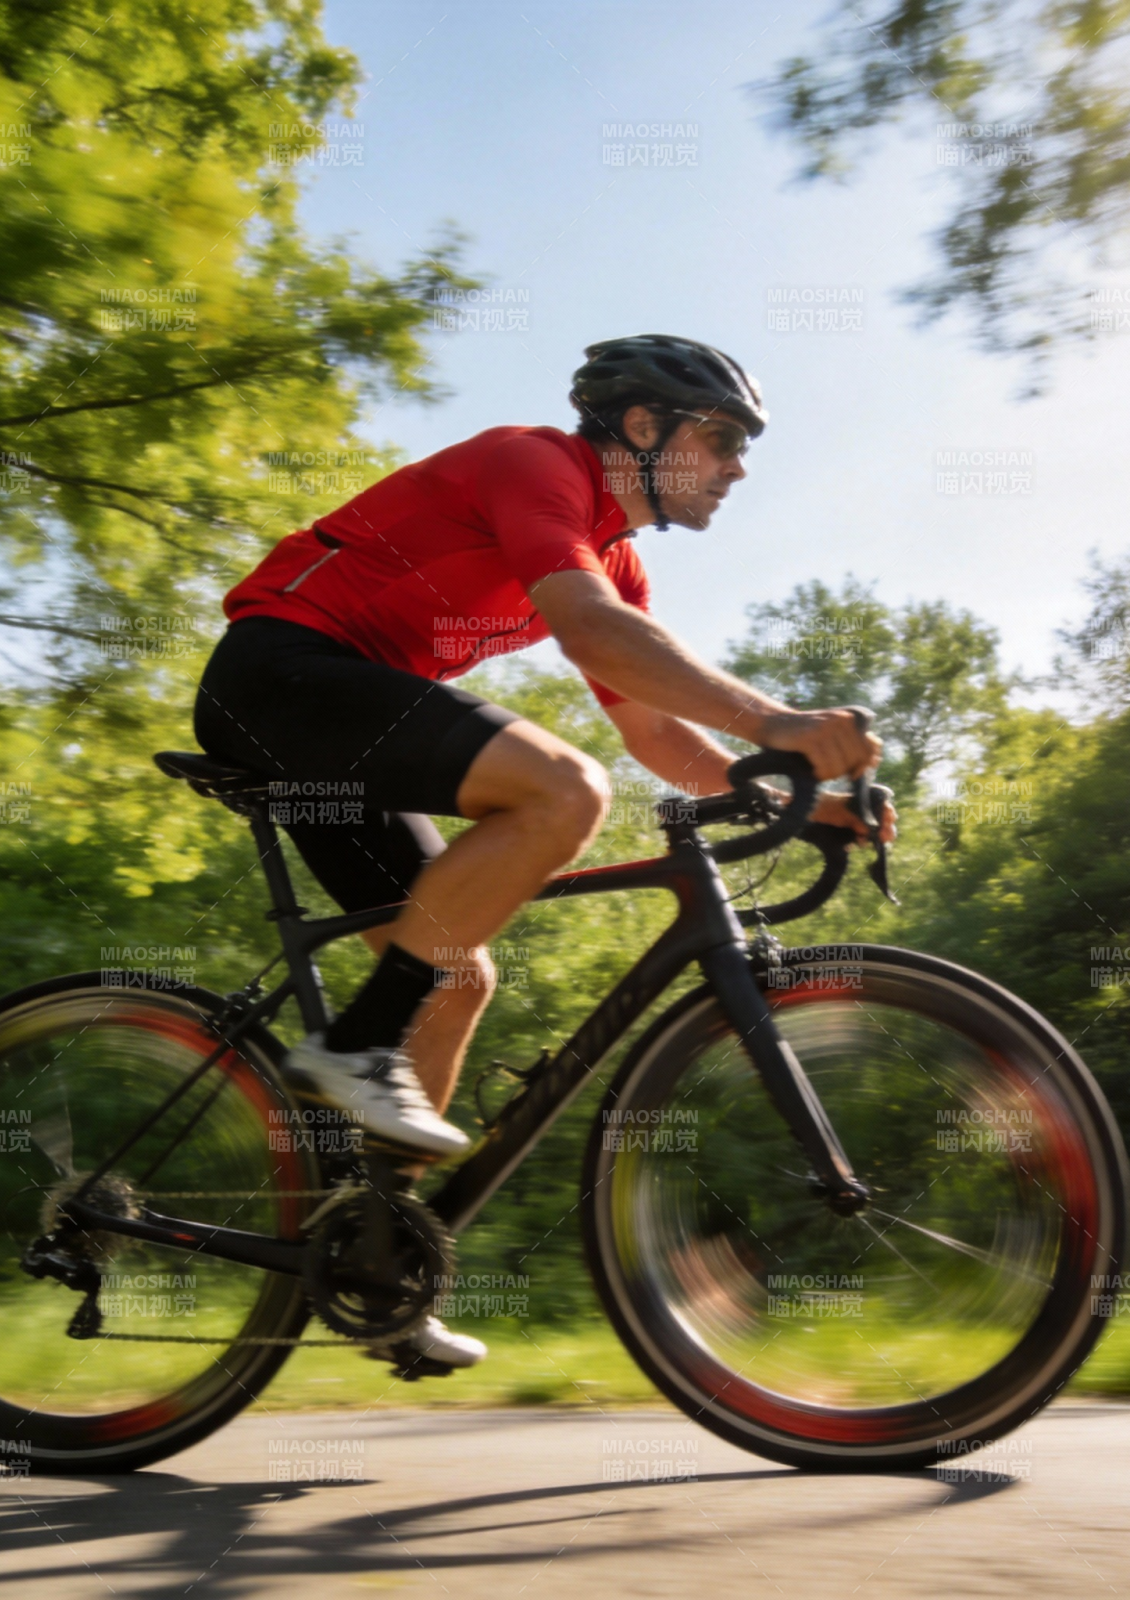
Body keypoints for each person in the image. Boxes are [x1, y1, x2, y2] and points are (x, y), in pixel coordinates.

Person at [194, 334, 894, 1369]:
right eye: (723, 438)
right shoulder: (536, 464)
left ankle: (375, 1262)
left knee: (454, 975)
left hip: (346, 731)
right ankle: (350, 1051)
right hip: (281, 680)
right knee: (561, 790)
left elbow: (654, 731)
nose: (739, 466)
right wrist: (778, 721)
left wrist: (806, 801)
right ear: (643, 429)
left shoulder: (616, 558)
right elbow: (595, 637)